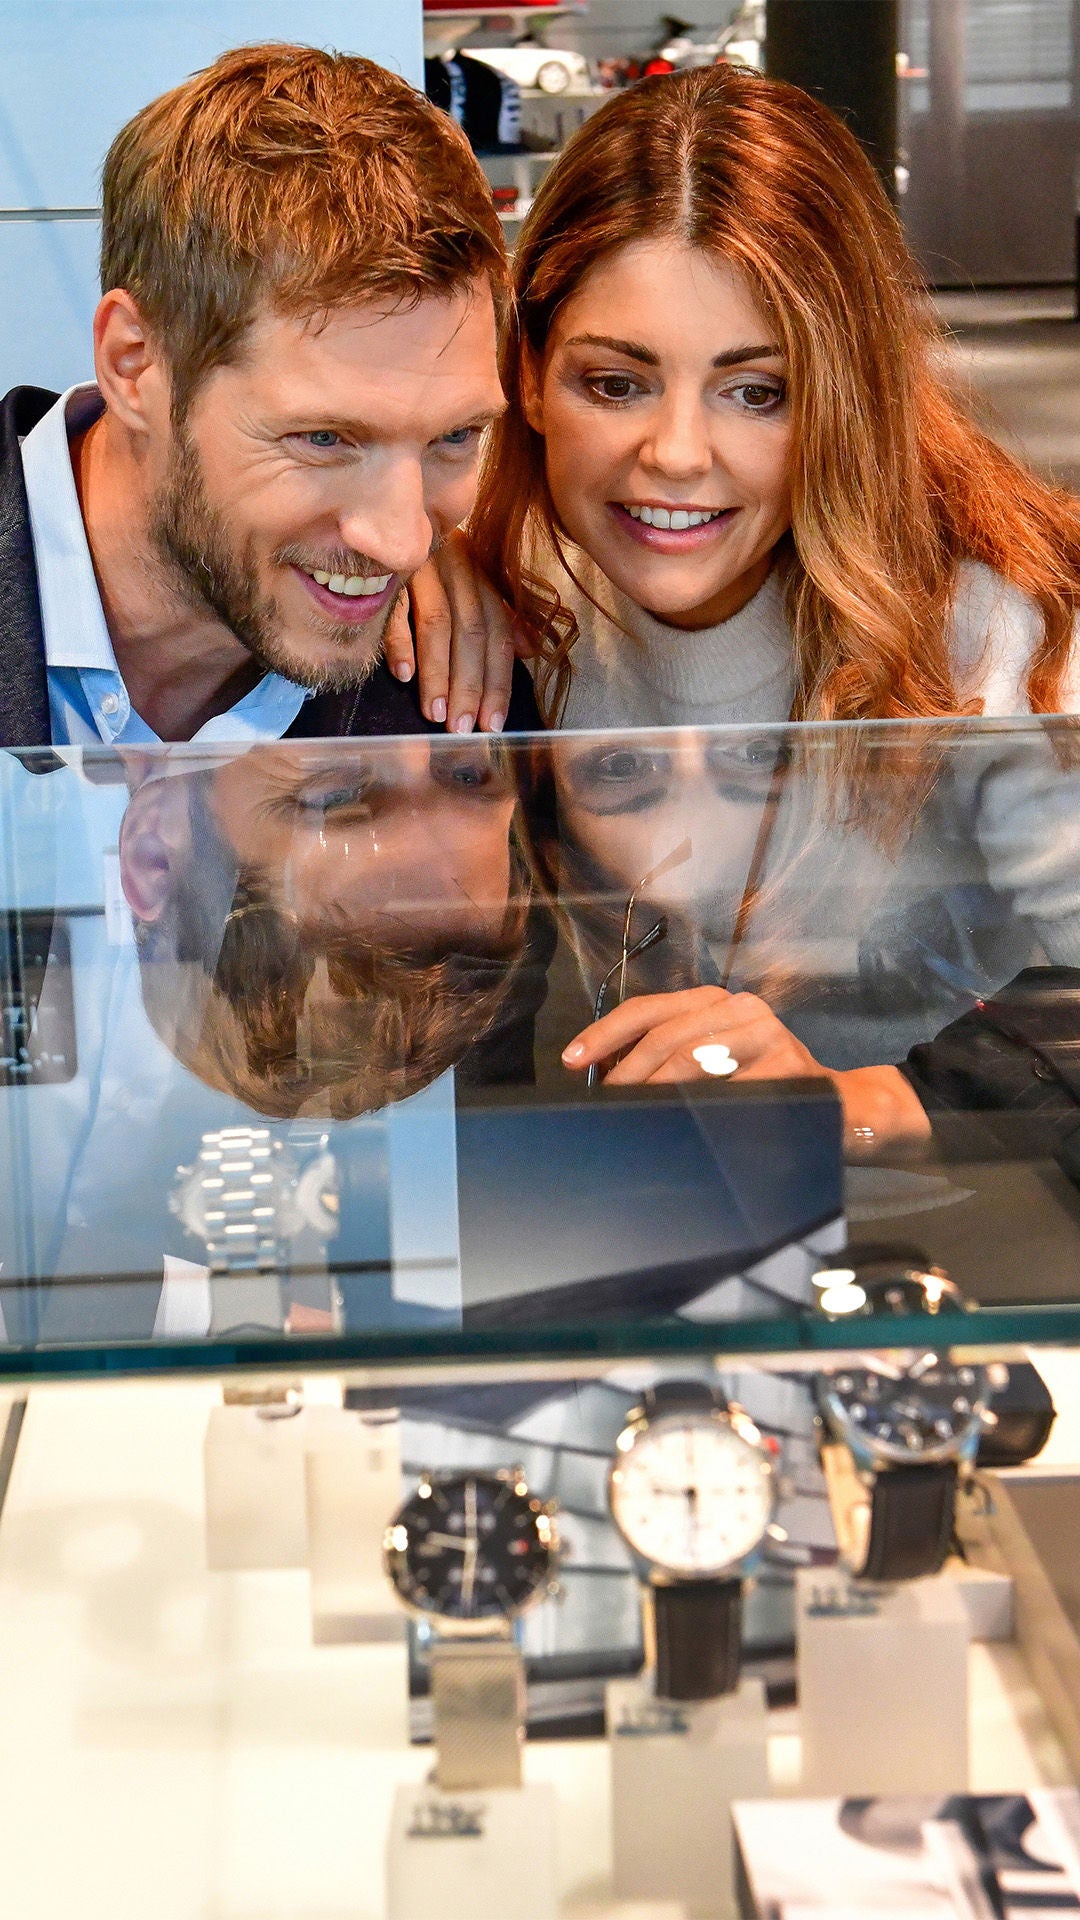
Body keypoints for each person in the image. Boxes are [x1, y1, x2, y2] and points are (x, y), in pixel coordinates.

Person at [394, 65, 1080, 1152]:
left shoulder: (1003, 632)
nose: (674, 455)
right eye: (615, 384)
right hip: (659, 1216)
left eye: (757, 392)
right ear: (528, 374)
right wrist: (409, 555)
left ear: (844, 395)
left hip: (974, 1226)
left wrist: (872, 1103)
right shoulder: (509, 575)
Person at [0, 42, 540, 754]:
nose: (404, 542)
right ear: (133, 364)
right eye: (325, 440)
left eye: (454, 437)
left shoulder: (462, 708)